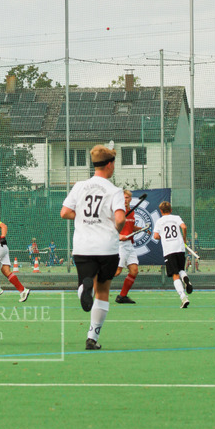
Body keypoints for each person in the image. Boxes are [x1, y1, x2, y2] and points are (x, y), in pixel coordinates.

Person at [60, 144, 125, 351]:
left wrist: (83, 217)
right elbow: (120, 219)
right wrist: (117, 226)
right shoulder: (114, 191)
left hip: (83, 247)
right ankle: (92, 337)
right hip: (106, 247)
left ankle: (83, 288)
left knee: (88, 285)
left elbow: (65, 212)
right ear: (109, 164)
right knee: (103, 291)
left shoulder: (79, 186)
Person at [152, 200, 192, 308]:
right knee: (181, 270)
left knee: (175, 275)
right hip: (179, 247)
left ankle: (183, 297)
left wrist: (161, 236)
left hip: (169, 250)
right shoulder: (176, 217)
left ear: (161, 211)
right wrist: (184, 239)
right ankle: (185, 278)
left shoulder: (159, 221)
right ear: (171, 210)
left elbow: (155, 236)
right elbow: (184, 227)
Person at [115, 189, 143, 305]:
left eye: (127, 198)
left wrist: (141, 229)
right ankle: (94, 284)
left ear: (130, 199)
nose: (125, 200)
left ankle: (122, 296)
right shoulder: (117, 211)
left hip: (129, 245)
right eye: (123, 198)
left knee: (134, 270)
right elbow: (110, 226)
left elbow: (130, 227)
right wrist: (119, 235)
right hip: (120, 245)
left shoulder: (131, 212)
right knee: (117, 272)